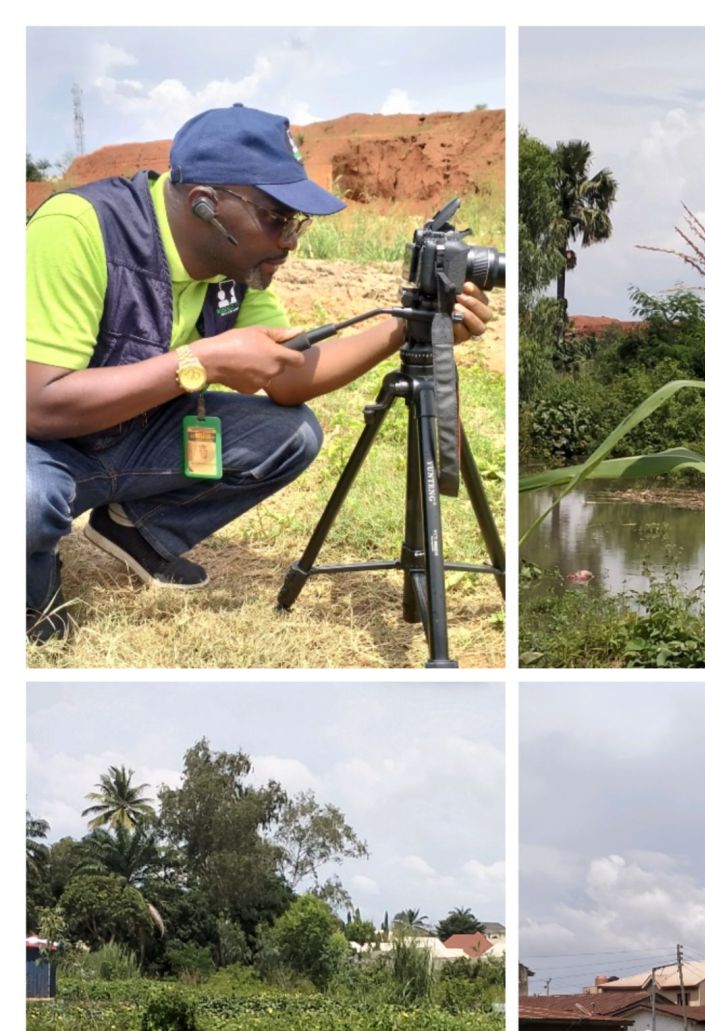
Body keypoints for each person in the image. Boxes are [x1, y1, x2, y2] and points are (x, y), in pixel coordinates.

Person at [26, 103, 492, 638]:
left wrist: (405, 327)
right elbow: (36, 404)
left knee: (290, 435)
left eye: (298, 222)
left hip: (129, 435)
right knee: (25, 499)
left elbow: (290, 378)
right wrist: (203, 362)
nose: (290, 240)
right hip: (42, 445)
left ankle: (138, 531)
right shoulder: (80, 229)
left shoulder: (234, 266)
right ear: (204, 205)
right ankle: (33, 572)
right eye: (276, 218)